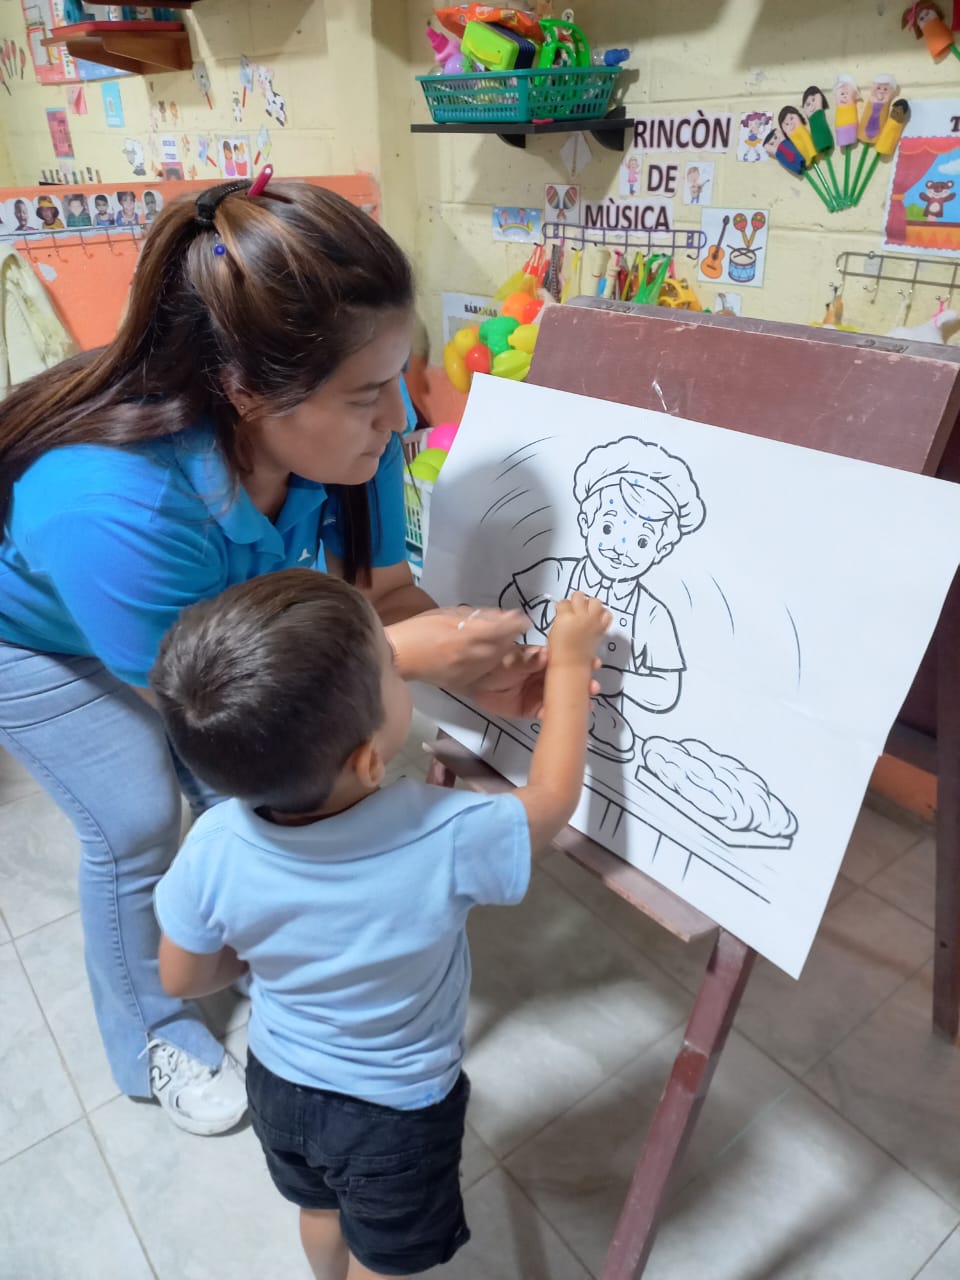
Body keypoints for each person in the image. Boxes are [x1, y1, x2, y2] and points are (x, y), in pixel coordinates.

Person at [0, 178, 549, 1136]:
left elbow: (385, 596)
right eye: (366, 395)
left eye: (399, 376)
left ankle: (261, 938)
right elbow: (206, 696)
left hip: (198, 622)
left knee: (267, 784)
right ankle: (153, 1032)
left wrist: (471, 667)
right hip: (38, 635)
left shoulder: (354, 438)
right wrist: (408, 655)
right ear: (247, 390)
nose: (399, 420)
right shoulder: (113, 505)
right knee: (138, 819)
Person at [151, 570, 610, 1280]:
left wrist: (261, 953)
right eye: (393, 671)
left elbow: (181, 976)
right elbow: (551, 800)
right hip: (395, 1110)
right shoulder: (443, 835)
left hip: (278, 1080)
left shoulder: (211, 843)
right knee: (384, 1255)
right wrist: (572, 664)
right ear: (368, 760)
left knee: (319, 1209)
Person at [500, 435, 705, 763]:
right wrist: (532, 636)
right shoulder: (558, 572)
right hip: (525, 708)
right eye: (609, 529)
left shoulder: (651, 614)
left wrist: (613, 679)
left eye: (641, 541)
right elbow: (507, 600)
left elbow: (667, 688)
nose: (621, 549)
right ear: (586, 522)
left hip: (604, 736)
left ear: (661, 550)